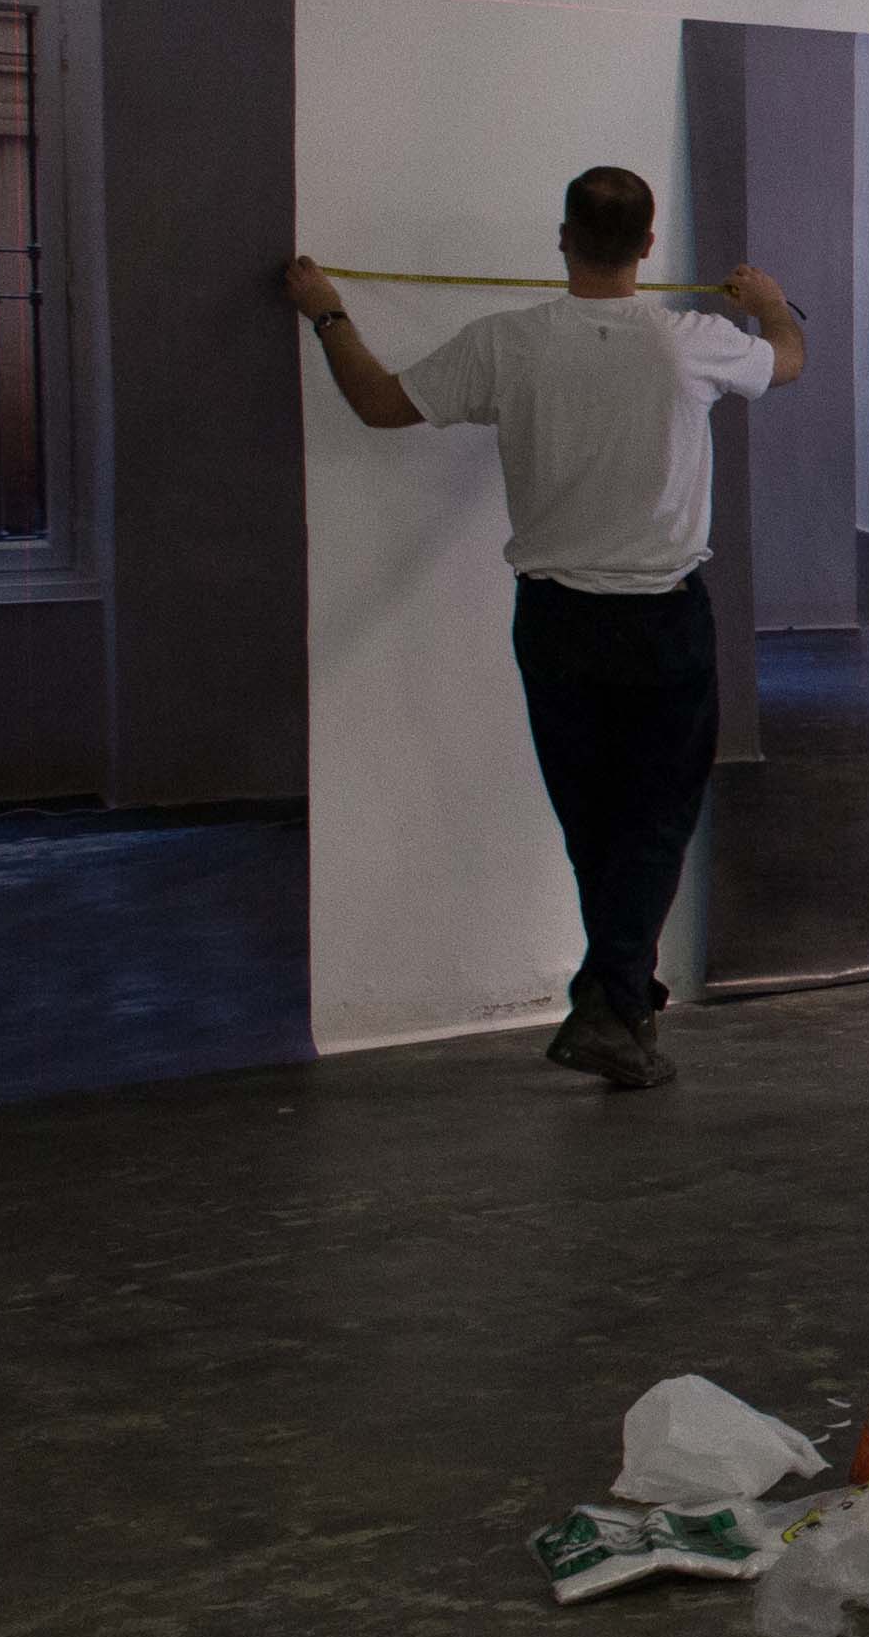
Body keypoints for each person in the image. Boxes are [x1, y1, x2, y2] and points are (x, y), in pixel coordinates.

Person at [283, 169, 802, 1090]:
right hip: (664, 619)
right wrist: (768, 302)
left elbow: (379, 402)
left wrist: (326, 313)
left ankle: (619, 1010)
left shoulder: (509, 343)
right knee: (652, 823)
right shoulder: (693, 342)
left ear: (563, 237)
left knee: (596, 824)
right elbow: (789, 358)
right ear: (648, 247)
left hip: (558, 623)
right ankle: (614, 1006)